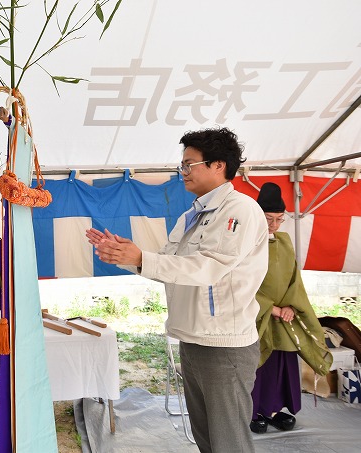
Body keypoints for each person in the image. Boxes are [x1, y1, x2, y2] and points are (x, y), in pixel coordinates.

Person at [86, 127, 268, 453]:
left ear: (218, 165)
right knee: (206, 437)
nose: (182, 172)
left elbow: (209, 267)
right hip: (192, 340)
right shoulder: (190, 216)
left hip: (224, 345)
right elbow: (169, 267)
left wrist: (144, 258)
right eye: (181, 164)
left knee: (229, 443)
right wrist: (132, 258)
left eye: (189, 164)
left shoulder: (240, 210)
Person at [249, 182, 332, 434]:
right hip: (257, 315)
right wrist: (270, 308)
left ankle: (274, 409)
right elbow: (240, 282)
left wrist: (292, 308)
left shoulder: (285, 242)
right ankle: (253, 411)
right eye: (267, 219)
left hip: (285, 315)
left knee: (282, 363)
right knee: (258, 364)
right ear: (256, 217)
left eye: (279, 219)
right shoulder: (247, 243)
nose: (274, 225)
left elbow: (295, 279)